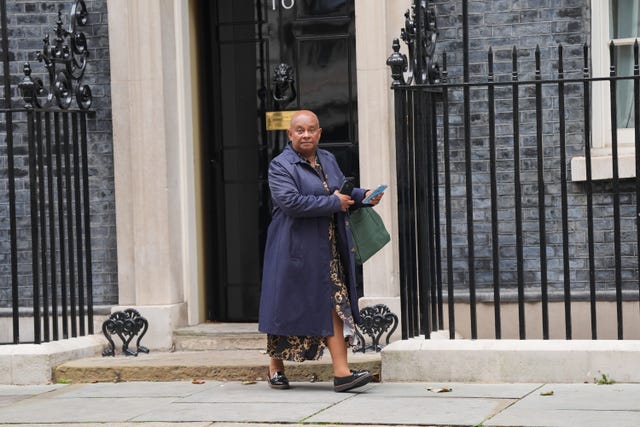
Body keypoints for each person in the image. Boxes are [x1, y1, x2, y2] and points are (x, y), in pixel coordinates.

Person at [258, 110, 384, 393]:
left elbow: (340, 190)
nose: (305, 135)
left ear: (319, 133)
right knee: (284, 307)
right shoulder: (281, 166)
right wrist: (332, 203)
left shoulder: (327, 159)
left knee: (335, 304)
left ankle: (342, 373)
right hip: (293, 248)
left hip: (328, 247)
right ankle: (276, 367)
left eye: (311, 129)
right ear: (290, 135)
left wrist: (364, 196)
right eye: (299, 130)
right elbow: (291, 202)